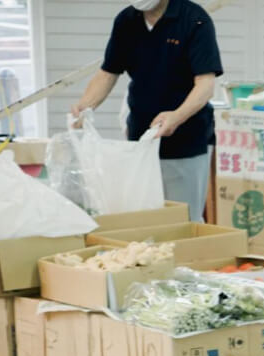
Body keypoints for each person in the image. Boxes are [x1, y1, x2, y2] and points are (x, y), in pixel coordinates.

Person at [72, 0, 223, 222]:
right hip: (141, 139)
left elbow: (205, 84)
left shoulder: (194, 18)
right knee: (144, 217)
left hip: (185, 140)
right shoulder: (126, 21)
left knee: (183, 220)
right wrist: (85, 106)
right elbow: (108, 72)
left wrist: (176, 116)